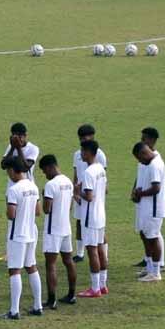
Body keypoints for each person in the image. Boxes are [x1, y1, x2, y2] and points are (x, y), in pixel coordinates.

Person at [3, 157, 44, 318]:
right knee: (31, 267)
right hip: (31, 232)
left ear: (13, 170)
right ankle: (38, 305)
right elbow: (38, 211)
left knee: (14, 270)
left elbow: (11, 215)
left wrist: (8, 205)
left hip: (17, 234)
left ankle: (14, 310)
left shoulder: (14, 190)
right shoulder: (33, 186)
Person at [40, 155, 77, 307]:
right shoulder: (68, 181)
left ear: (49, 167)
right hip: (65, 228)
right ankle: (72, 295)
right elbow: (70, 206)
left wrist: (44, 196)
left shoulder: (50, 185)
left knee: (51, 265)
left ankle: (51, 299)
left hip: (52, 229)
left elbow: (46, 209)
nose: (45, 174)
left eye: (44, 171)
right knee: (68, 261)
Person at [76, 141, 109, 298]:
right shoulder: (100, 169)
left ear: (88, 152)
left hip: (90, 216)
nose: (80, 154)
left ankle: (95, 288)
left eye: (82, 151)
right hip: (101, 214)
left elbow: (89, 196)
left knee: (92, 250)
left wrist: (77, 192)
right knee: (101, 249)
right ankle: (103, 284)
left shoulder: (89, 172)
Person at [131, 142, 165, 283]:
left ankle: (156, 272)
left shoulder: (154, 165)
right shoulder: (150, 163)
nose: (140, 162)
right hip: (145, 207)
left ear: (143, 153)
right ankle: (150, 266)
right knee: (144, 235)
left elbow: (156, 188)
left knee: (153, 238)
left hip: (153, 209)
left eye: (139, 158)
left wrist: (141, 194)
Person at [71, 124, 106, 262]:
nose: (83, 140)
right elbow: (75, 174)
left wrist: (81, 193)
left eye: (86, 137)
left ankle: (103, 256)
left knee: (96, 235)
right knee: (79, 222)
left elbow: (103, 178)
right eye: (81, 138)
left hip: (91, 195)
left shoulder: (100, 156)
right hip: (82, 193)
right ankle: (80, 253)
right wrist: (75, 193)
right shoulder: (77, 155)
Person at [2, 122, 39, 195]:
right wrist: (12, 148)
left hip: (29, 190)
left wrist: (18, 148)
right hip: (12, 187)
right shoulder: (11, 147)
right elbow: (3, 165)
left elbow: (25, 168)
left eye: (20, 136)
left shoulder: (33, 148)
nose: (17, 139)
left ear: (25, 136)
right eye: (14, 136)